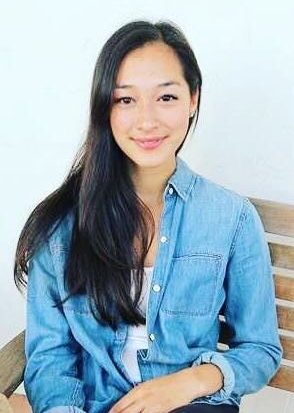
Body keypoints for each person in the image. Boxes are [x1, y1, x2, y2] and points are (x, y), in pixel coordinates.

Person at [14, 20, 282, 413]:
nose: (147, 121)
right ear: (105, 107)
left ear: (193, 100)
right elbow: (50, 359)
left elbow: (260, 348)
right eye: (126, 100)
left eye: (166, 97)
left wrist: (190, 381)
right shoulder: (61, 228)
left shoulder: (232, 218)